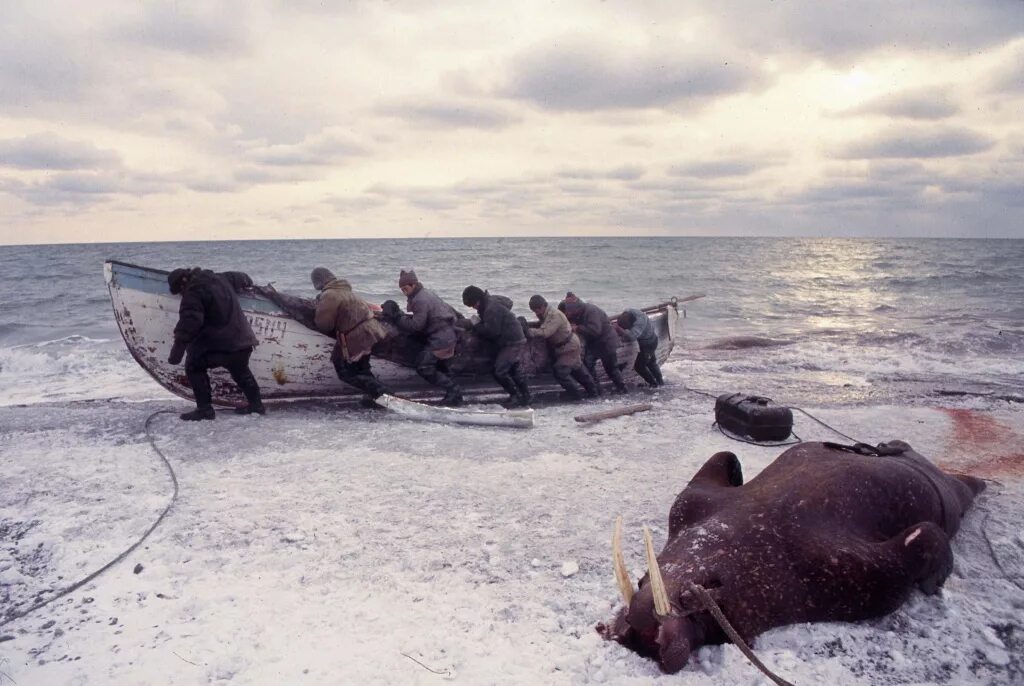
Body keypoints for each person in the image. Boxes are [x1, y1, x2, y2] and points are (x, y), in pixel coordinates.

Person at [166, 267, 264, 420]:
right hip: (243, 343)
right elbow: (244, 277)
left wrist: (176, 354)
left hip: (222, 346)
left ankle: (204, 410)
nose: (180, 294)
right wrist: (247, 283)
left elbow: (189, 323)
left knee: (194, 366)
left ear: (183, 282)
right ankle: (256, 405)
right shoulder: (222, 278)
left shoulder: (193, 292)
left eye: (179, 290)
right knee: (241, 371)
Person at [380, 269, 464, 407]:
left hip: (441, 339)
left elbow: (416, 326)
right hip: (446, 334)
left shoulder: (420, 300)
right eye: (401, 289)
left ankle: (454, 391)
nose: (404, 292)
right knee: (441, 366)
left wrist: (397, 318)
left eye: (405, 288)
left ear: (413, 284)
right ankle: (454, 394)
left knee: (423, 366)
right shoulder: (427, 293)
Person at [311, 267, 391, 402]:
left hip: (358, 335)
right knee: (362, 369)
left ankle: (383, 393)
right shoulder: (346, 290)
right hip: (371, 330)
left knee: (344, 371)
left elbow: (325, 325)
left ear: (318, 282)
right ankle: (377, 397)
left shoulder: (329, 295)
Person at [462, 285, 531, 407]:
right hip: (513, 339)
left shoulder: (491, 308)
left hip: (512, 342)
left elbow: (492, 332)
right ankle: (526, 396)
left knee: (500, 371)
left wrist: (476, 325)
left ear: (478, 300)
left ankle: (516, 396)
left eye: (473, 305)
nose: (473, 307)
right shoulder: (490, 302)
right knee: (514, 369)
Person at [525, 294, 598, 400]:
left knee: (561, 372)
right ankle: (593, 393)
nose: (536, 313)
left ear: (543, 306)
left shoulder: (555, 315)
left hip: (569, 346)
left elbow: (546, 332)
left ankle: (577, 396)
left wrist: (528, 331)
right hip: (565, 346)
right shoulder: (546, 314)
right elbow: (543, 325)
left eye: (537, 310)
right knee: (577, 369)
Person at [562, 296, 627, 393]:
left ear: (576, 308)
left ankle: (622, 388)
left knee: (611, 368)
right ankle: (596, 388)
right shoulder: (581, 312)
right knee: (588, 364)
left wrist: (578, 328)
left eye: (570, 311)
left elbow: (595, 330)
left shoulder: (591, 311)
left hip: (607, 341)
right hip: (596, 343)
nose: (569, 313)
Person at [616, 308, 664, 387]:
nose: (627, 329)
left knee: (639, 366)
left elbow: (631, 337)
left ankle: (654, 384)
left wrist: (619, 329)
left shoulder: (639, 322)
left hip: (648, 343)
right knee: (651, 363)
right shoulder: (629, 311)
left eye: (628, 327)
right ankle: (660, 382)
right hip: (644, 341)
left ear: (633, 323)